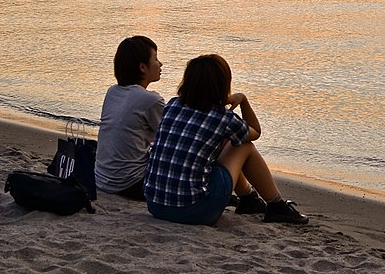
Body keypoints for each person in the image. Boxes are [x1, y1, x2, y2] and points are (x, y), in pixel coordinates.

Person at [144, 54, 308, 226]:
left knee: (223, 143)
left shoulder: (172, 105)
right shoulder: (222, 118)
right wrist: (243, 100)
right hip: (193, 212)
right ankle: (276, 205)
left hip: (155, 205)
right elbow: (255, 132)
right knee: (244, 146)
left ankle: (249, 199)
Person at [95, 36, 166, 200]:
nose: (160, 64)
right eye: (155, 59)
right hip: (130, 183)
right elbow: (170, 136)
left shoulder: (112, 91)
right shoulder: (150, 100)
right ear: (142, 67)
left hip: (101, 179)